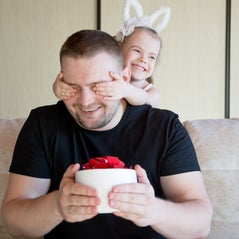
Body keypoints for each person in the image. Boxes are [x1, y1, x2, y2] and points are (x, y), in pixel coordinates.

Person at [1, 29, 212, 239]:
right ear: (61, 81)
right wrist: (56, 206)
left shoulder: (165, 127)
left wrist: (155, 211)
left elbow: (201, 225)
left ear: (124, 77)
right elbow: (14, 224)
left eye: (97, 86)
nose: (85, 102)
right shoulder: (43, 124)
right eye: (73, 87)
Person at [52, 1, 171, 108]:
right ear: (118, 50)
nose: (144, 60)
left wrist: (125, 90)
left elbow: (145, 99)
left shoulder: (151, 93)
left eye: (151, 57)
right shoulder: (107, 76)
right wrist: (59, 87)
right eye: (137, 51)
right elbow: (81, 83)